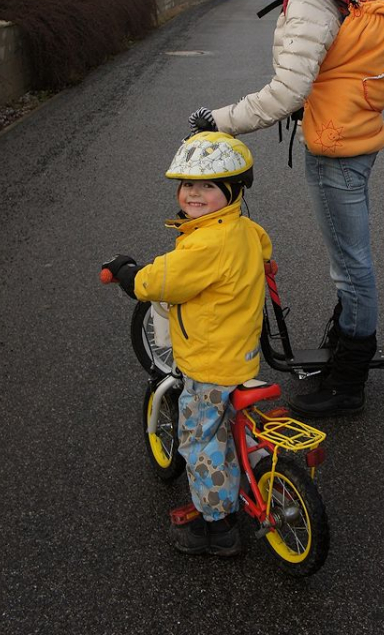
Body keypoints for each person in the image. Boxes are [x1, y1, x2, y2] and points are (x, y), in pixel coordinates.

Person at [187, 0, 384, 418]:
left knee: (350, 267)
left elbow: (289, 90)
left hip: (338, 150)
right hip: (338, 140)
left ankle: (348, 383)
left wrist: (218, 119)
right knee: (347, 261)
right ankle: (344, 350)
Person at [101, 132, 272, 557]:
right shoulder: (244, 229)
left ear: (232, 191)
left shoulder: (206, 244)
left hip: (209, 364)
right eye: (187, 185)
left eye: (208, 186)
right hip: (242, 353)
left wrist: (127, 273)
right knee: (228, 427)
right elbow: (265, 249)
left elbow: (160, 280)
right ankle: (248, 473)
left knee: (199, 442)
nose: (194, 194)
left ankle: (218, 528)